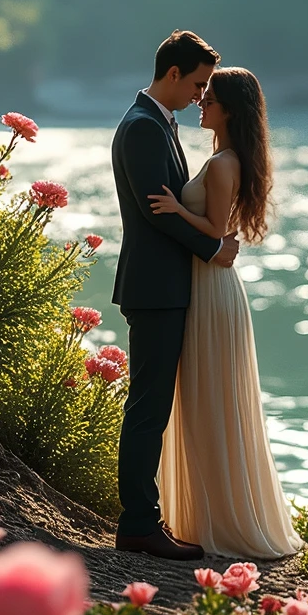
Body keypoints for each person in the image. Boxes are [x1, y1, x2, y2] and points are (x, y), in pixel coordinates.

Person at [149, 66, 302, 558]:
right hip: (213, 285)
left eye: (209, 97)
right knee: (206, 402)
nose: (201, 102)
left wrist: (176, 210)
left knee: (209, 402)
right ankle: (208, 514)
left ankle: (220, 521)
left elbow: (215, 230)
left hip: (211, 289)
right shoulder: (225, 158)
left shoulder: (222, 164)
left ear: (229, 109)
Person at [111, 30, 239, 558]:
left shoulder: (159, 123)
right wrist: (213, 251)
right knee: (148, 407)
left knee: (154, 405)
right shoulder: (142, 127)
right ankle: (140, 522)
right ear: (172, 74)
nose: (200, 94)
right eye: (197, 83)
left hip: (166, 287)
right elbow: (154, 211)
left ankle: (145, 518)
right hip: (154, 288)